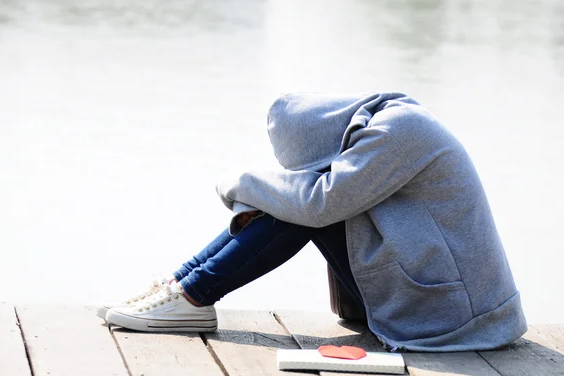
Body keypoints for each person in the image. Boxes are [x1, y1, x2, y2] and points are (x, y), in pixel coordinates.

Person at [99, 92, 527, 352]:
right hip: (429, 292)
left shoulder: (400, 129)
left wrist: (239, 183)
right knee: (299, 201)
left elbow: (318, 206)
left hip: (455, 316)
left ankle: (191, 297)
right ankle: (179, 288)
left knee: (305, 207)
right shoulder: (374, 127)